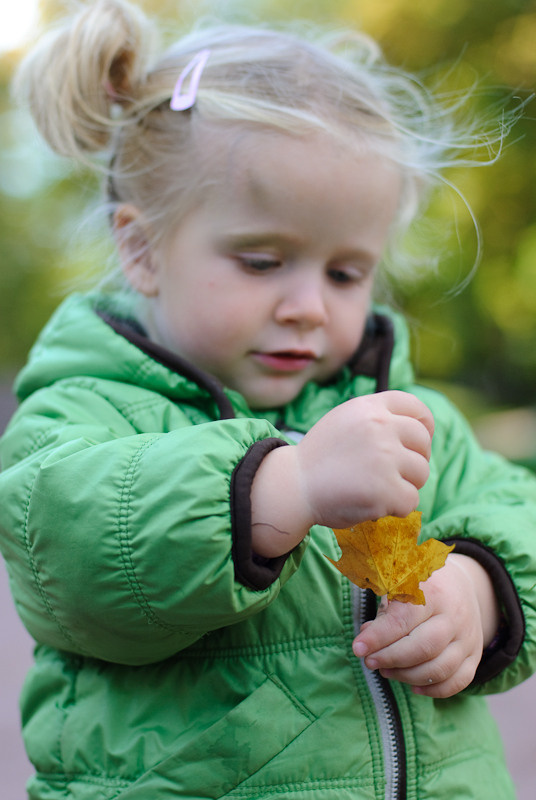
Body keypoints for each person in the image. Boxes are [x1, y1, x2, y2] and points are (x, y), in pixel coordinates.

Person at [1, 1, 535, 798]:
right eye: (261, 261)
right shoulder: (87, 412)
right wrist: (282, 487)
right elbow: (70, 556)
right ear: (142, 249)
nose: (309, 306)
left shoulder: (404, 417)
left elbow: (515, 513)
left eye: (345, 273)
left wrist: (481, 593)